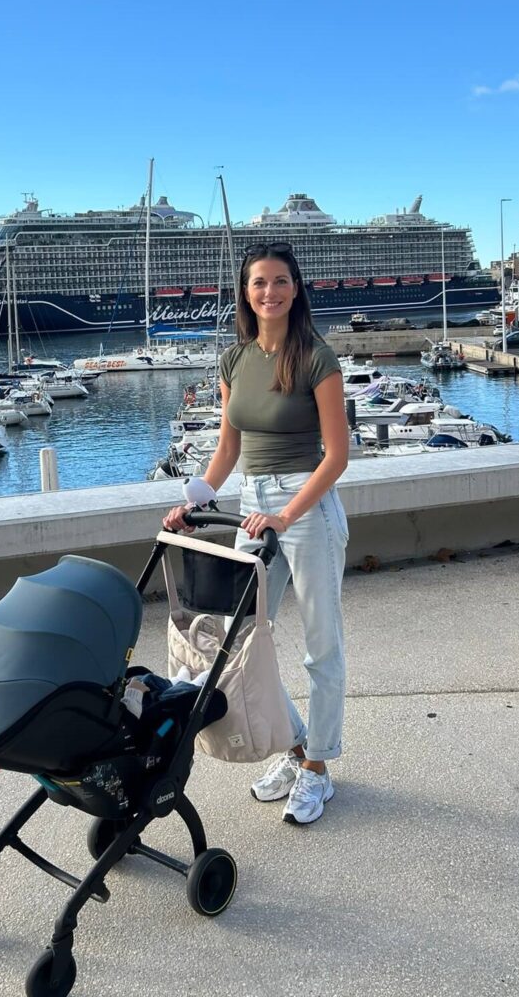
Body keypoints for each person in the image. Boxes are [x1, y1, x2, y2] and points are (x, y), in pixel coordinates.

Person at [163, 241, 350, 825]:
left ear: (296, 289)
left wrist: (287, 515)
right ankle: (298, 747)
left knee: (322, 645)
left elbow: (337, 456)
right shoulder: (234, 361)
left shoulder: (317, 357)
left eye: (280, 281)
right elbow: (228, 449)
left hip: (306, 509)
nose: (269, 292)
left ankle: (319, 769)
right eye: (258, 283)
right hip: (251, 504)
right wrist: (192, 501)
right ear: (246, 293)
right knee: (237, 639)